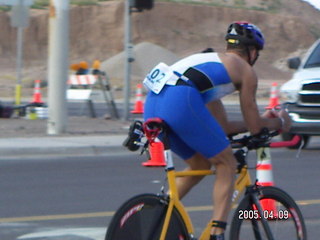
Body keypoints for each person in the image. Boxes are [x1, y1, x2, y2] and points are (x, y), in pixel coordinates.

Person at [143, 21, 291, 240]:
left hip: (154, 102)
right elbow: (254, 127)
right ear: (252, 52)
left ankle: (155, 219)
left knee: (201, 164)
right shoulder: (245, 71)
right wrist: (278, 122)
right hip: (180, 98)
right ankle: (217, 233)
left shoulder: (210, 68)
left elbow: (222, 128)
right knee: (227, 163)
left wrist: (258, 122)